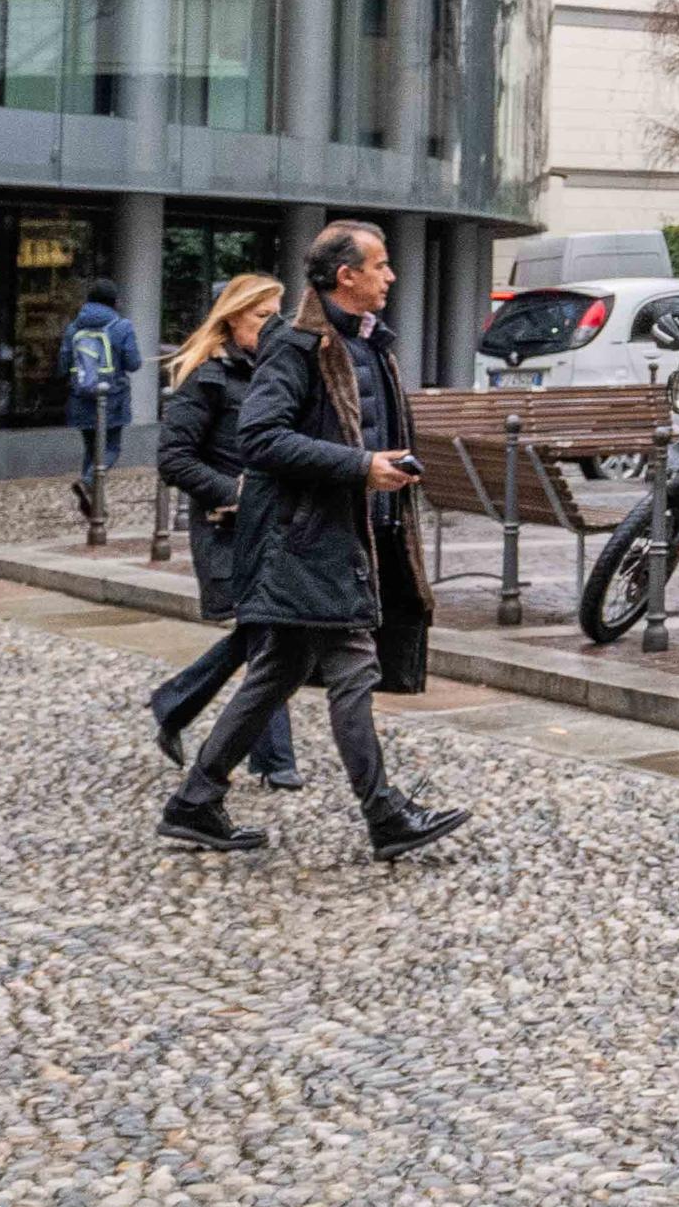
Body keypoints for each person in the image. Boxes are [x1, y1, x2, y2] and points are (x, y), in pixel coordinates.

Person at [156, 223, 471, 863]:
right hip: (308, 539)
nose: (389, 277)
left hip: (353, 531)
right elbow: (261, 438)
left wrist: (391, 473)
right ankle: (385, 815)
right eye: (379, 267)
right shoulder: (297, 345)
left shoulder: (370, 344)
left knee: (277, 672)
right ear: (344, 276)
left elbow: (368, 430)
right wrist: (359, 468)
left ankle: (194, 802)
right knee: (353, 665)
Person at [147, 274, 301, 790]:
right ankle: (275, 761)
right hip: (228, 530)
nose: (273, 327)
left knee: (269, 636)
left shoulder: (278, 373)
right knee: (271, 638)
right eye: (262, 317)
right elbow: (173, 458)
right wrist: (232, 493)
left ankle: (176, 701)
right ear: (232, 318)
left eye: (278, 316)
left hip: (274, 528)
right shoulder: (207, 378)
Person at [60, 277, 142, 519]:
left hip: (81, 396)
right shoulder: (121, 326)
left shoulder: (74, 327)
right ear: (113, 302)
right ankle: (88, 482)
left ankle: (95, 505)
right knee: (111, 447)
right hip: (113, 397)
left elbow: (64, 363)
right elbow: (134, 363)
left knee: (91, 448)